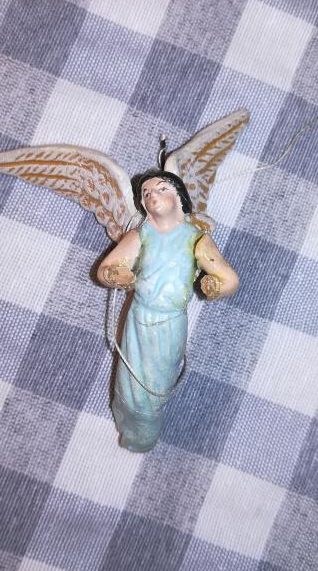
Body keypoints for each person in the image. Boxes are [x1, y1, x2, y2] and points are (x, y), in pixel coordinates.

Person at [97, 170, 239, 453]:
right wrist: (114, 275)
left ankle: (144, 435)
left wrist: (215, 285)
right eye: (146, 193)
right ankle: (132, 430)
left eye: (161, 189)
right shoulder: (140, 236)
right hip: (139, 319)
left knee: (155, 388)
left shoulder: (196, 239)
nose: (152, 196)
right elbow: (105, 269)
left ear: (179, 197)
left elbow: (230, 279)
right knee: (132, 388)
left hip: (170, 324)